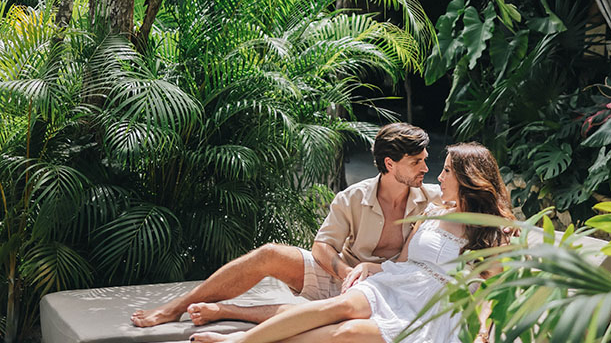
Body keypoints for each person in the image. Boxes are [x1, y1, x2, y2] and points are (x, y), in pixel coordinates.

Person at [181, 142, 515, 343]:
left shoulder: (493, 232)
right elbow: (403, 259)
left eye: (446, 172)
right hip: (396, 283)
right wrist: (373, 265)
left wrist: (483, 337)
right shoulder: (431, 209)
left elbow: (490, 294)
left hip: (433, 311)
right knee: (339, 307)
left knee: (348, 334)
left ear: (468, 179)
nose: (437, 177)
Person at [131, 122, 436, 328]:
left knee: (331, 315)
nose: (425, 167)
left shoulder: (433, 199)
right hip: (342, 277)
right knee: (269, 254)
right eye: (416, 162)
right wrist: (346, 273)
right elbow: (322, 246)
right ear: (389, 164)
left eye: (425, 159)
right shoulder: (353, 198)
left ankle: (226, 313)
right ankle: (176, 307)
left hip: (391, 289)